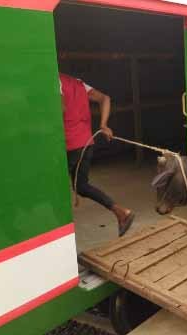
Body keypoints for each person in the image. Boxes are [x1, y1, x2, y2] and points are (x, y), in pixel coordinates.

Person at [59, 73, 135, 237]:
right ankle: (121, 212)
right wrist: (103, 125)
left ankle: (57, 236)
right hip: (86, 143)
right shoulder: (78, 83)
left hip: (69, 144)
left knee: (55, 188)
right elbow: (105, 98)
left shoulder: (53, 82)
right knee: (81, 186)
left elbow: (61, 108)